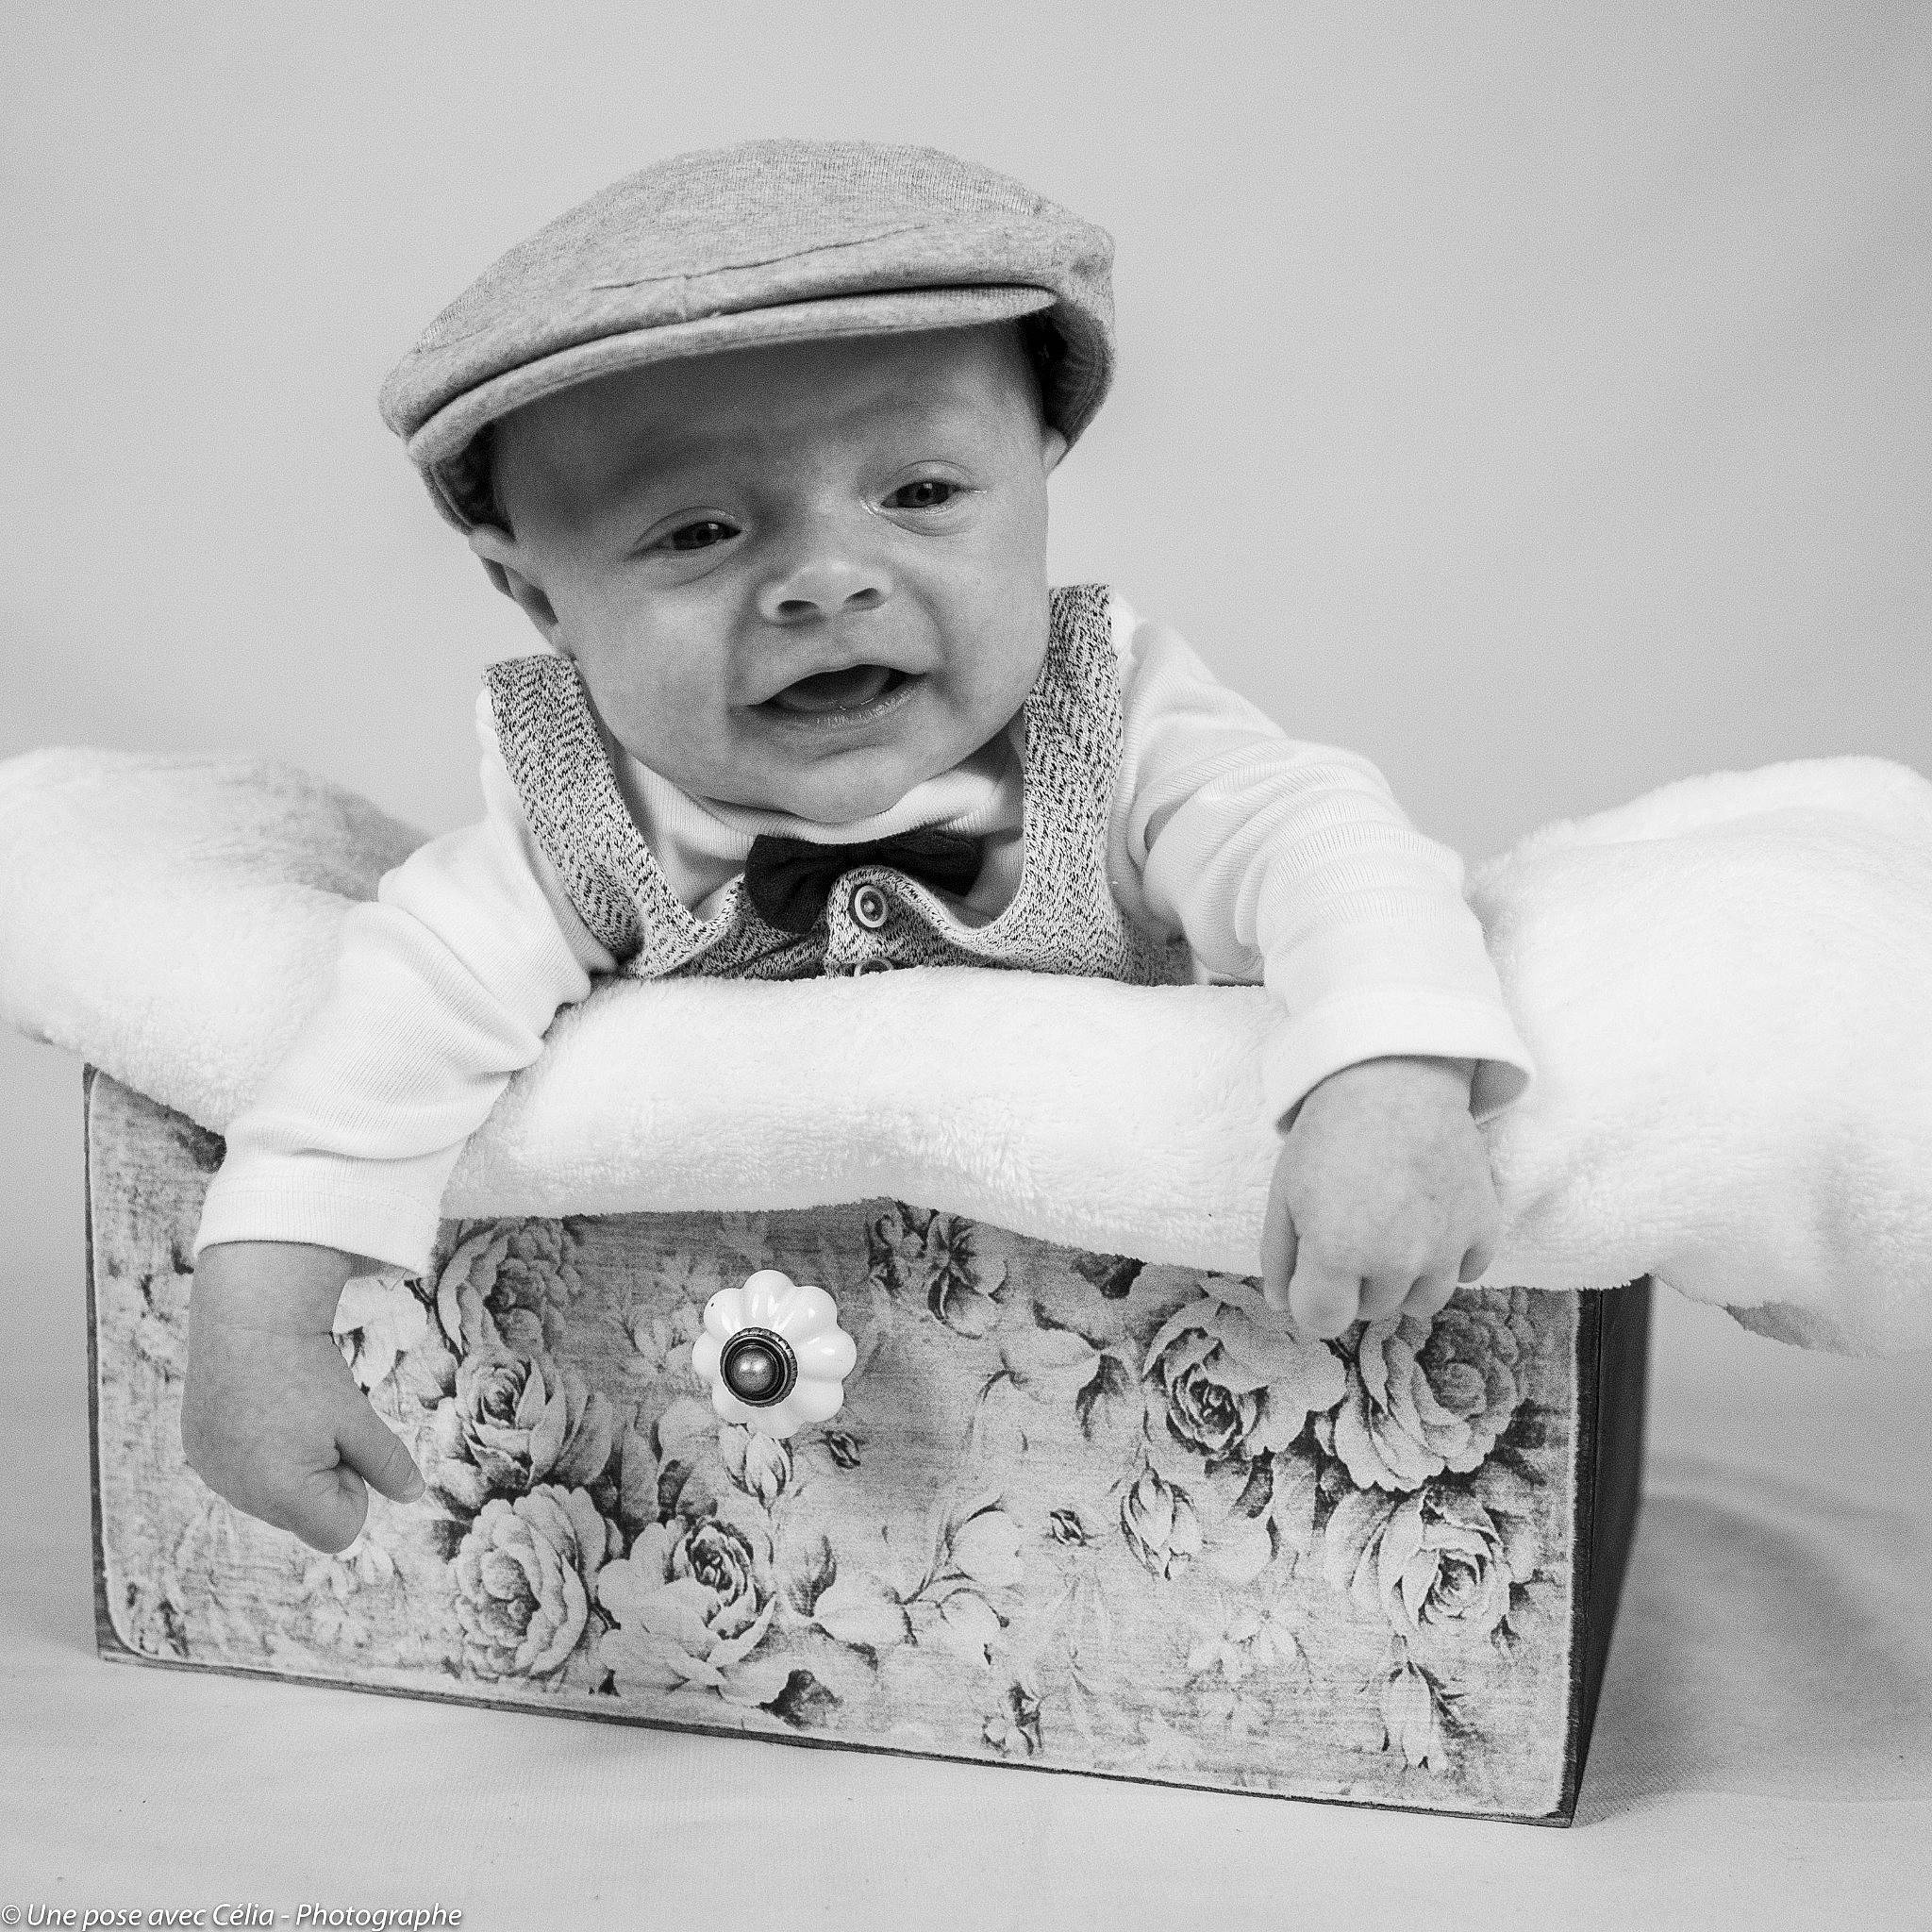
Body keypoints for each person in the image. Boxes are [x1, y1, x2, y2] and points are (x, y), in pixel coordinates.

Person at [182, 139, 1533, 1553]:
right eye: (700, 530)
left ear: (1043, 476)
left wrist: (1386, 1077)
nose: (827, 578)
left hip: (1104, 1409)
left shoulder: (1116, 724)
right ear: (541, 601)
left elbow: (1325, 846)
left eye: (924, 494)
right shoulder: (576, 815)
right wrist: (262, 1303)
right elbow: (383, 1039)